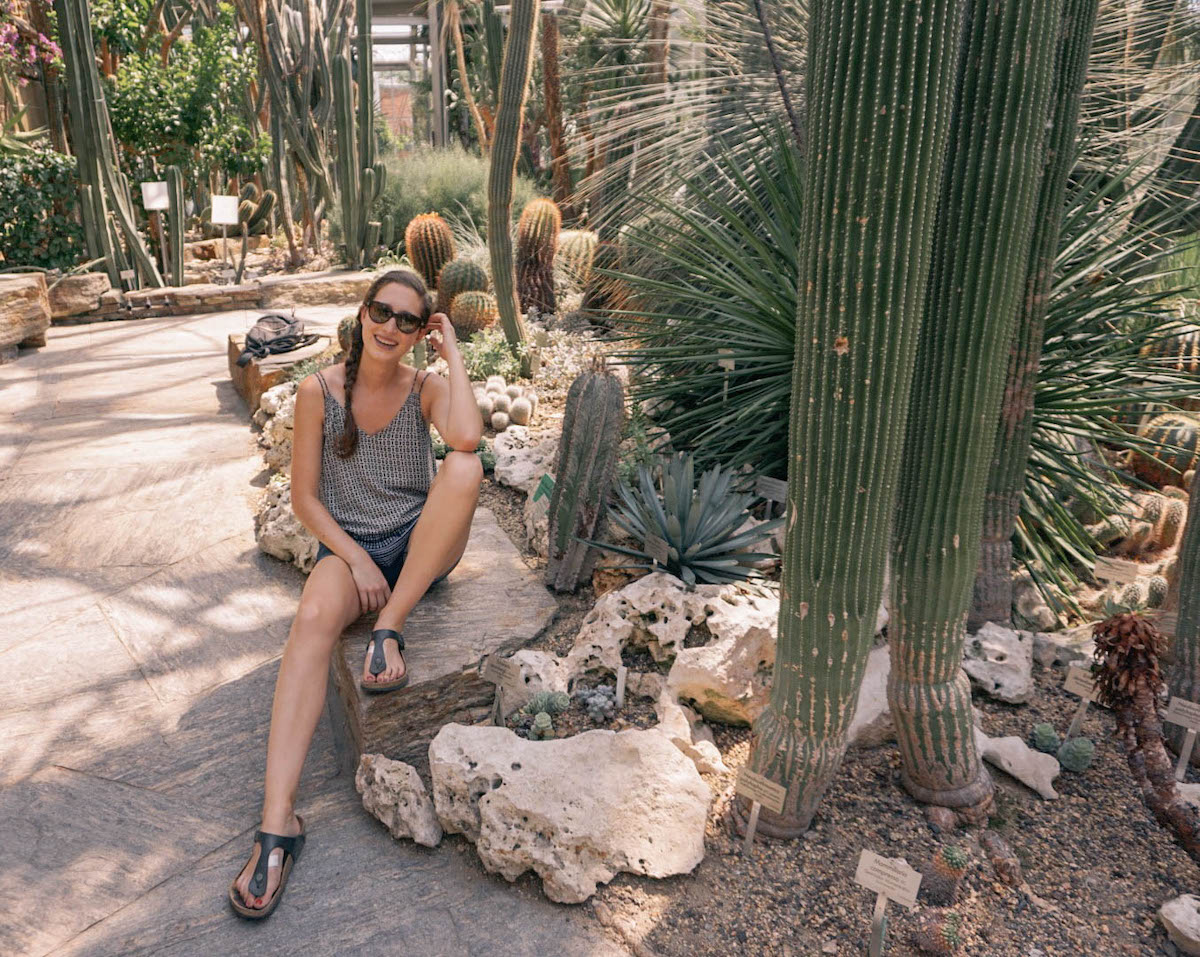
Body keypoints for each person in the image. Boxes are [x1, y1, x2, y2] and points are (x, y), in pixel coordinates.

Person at [228, 269, 484, 919]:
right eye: (382, 312)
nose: (391, 328)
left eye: (408, 320)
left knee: (464, 465)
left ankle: (390, 626)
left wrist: (451, 349)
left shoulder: (425, 387)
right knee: (312, 616)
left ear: (419, 329)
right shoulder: (320, 391)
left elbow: (467, 435)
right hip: (352, 548)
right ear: (363, 311)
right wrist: (356, 558)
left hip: (422, 548)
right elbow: (305, 499)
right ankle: (277, 820)